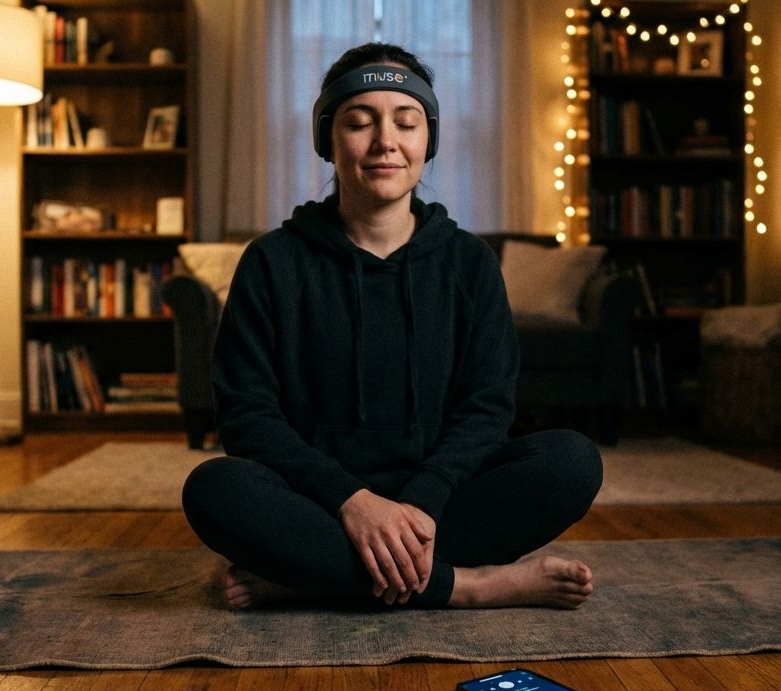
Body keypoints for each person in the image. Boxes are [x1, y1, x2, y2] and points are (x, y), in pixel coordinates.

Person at [182, 42, 603, 610]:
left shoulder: (470, 263)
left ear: (427, 140)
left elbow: (487, 410)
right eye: (360, 123)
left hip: (441, 501)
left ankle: (311, 575)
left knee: (572, 463)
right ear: (327, 141)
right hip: (318, 501)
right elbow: (247, 417)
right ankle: (471, 587)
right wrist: (353, 503)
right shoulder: (272, 262)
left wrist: (421, 504)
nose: (385, 142)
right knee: (214, 490)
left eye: (405, 123)